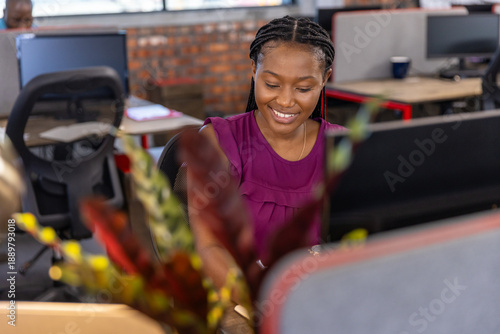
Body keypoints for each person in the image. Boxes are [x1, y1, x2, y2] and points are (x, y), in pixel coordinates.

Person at [188, 15, 344, 289]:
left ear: (325, 79)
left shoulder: (343, 146)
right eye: (271, 84)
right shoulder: (220, 142)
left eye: (303, 88)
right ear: (253, 70)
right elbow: (208, 246)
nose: (285, 100)